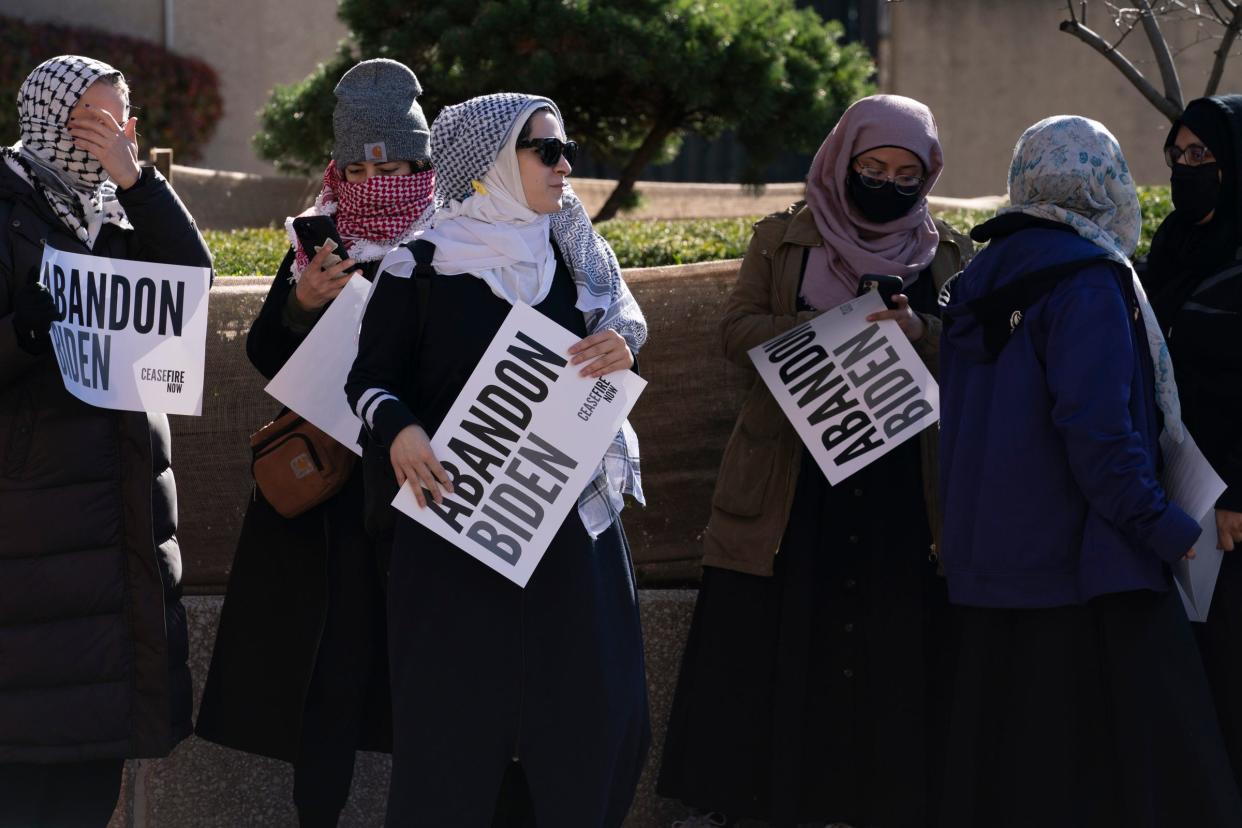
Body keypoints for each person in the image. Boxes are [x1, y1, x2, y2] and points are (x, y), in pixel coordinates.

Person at [657, 94, 971, 828]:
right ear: (842, 160)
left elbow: (972, 347)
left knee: (891, 647)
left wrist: (917, 326)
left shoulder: (948, 251)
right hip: (793, 485)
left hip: (901, 487)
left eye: (905, 173)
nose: (887, 184)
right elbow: (735, 333)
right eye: (872, 167)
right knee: (787, 644)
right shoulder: (783, 240)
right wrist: (832, 327)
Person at [345, 92, 650, 827]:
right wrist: (401, 431)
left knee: (589, 724)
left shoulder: (579, 259)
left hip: (572, 541)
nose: (565, 164)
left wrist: (625, 343)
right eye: (545, 150)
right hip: (455, 538)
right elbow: (369, 382)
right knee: (453, 738)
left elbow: (622, 324)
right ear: (489, 162)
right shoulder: (417, 267)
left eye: (564, 148)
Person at [937, 114, 1242, 827]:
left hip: (994, 567)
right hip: (1090, 568)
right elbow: (1100, 434)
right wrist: (1160, 523)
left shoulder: (979, 274)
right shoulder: (1089, 280)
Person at [194, 59, 434, 828]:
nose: (375, 181)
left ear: (421, 164)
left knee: (430, 676)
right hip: (332, 502)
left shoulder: (456, 240)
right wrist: (302, 302)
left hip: (428, 493)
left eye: (391, 166)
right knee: (329, 672)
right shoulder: (317, 238)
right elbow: (265, 352)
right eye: (358, 166)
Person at [0, 55, 211, 827]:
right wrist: (23, 334)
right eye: (97, 118)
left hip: (115, 526)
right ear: (55, 121)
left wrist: (140, 182)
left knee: (91, 775)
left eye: (125, 119)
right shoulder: (7, 204)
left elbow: (187, 290)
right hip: (32, 535)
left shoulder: (120, 211)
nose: (117, 134)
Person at [1142, 94, 1242, 795]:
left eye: (1202, 155)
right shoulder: (1171, 245)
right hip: (1175, 488)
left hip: (1231, 505)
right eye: (1177, 155)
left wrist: (1238, 489)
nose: (1186, 168)